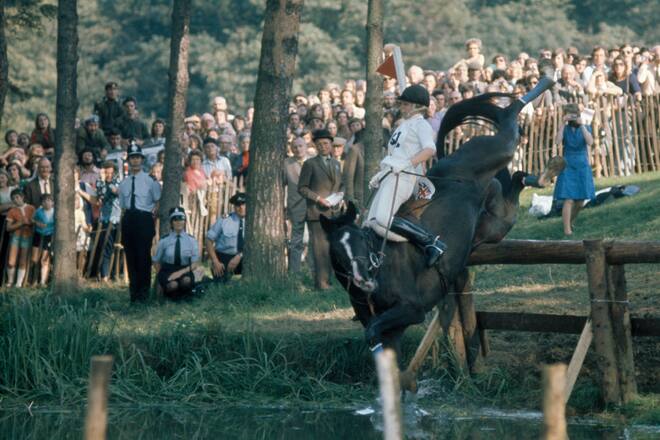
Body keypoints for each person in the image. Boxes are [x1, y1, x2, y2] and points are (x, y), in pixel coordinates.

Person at [365, 84, 446, 267]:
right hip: (391, 174)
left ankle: (431, 242)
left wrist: (407, 164)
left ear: (418, 106)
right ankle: (417, 245)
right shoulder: (404, 125)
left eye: (406, 104)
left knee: (383, 219)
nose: (402, 107)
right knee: (372, 223)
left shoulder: (422, 124)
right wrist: (381, 174)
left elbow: (429, 149)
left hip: (403, 176)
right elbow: (397, 154)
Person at [298, 129, 344, 290]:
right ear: (315, 147)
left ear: (331, 145)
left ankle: (332, 281)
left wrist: (340, 196)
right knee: (320, 249)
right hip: (317, 213)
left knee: (333, 247)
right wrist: (318, 199)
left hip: (334, 213)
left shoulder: (337, 164)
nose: (323, 147)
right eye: (319, 144)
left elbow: (340, 185)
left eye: (326, 143)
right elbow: (302, 188)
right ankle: (322, 284)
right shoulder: (310, 164)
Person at [119, 143, 161, 302]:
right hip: (129, 219)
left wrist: (151, 217)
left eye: (137, 157)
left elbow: (157, 201)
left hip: (144, 219)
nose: (135, 161)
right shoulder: (124, 183)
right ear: (128, 161)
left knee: (143, 257)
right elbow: (123, 206)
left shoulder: (150, 181)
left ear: (142, 160)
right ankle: (134, 295)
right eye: (132, 158)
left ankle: (144, 294)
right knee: (131, 257)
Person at [553, 104, 595, 236]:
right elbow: (557, 141)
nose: (572, 117)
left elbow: (590, 142)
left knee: (580, 200)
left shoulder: (586, 127)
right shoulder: (564, 129)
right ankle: (567, 230)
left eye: (574, 114)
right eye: (569, 115)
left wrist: (581, 125)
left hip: (582, 165)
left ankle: (569, 221)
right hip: (568, 164)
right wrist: (562, 123)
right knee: (569, 199)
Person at [153, 207, 200, 300]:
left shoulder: (191, 240)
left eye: (181, 218)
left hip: (185, 269)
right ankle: (172, 297)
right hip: (168, 270)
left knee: (186, 281)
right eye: (175, 219)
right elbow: (156, 261)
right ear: (171, 222)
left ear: (184, 221)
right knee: (173, 285)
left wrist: (179, 273)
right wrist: (160, 277)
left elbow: (195, 263)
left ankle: (183, 297)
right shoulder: (164, 240)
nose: (178, 222)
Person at [206, 192, 246, 283]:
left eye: (244, 204)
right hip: (223, 257)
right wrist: (215, 261)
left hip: (244, 256)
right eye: (238, 205)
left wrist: (239, 256)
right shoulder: (224, 220)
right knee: (220, 284)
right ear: (234, 207)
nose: (241, 207)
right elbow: (209, 240)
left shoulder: (254, 221)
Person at [283, 138, 308, 273]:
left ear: (306, 146)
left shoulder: (314, 161)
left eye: (300, 146)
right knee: (296, 240)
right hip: (296, 207)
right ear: (291, 149)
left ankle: (315, 272)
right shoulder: (287, 164)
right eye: (295, 147)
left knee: (316, 240)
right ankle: (294, 272)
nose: (298, 149)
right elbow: (280, 185)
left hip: (314, 207)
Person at [5, 188, 35, 287]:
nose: (15, 200)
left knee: (23, 260)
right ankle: (10, 281)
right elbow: (8, 228)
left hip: (27, 236)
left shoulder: (31, 208)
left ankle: (18, 283)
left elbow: (34, 222)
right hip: (16, 237)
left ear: (22, 197)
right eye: (13, 198)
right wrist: (20, 223)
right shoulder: (12, 211)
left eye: (17, 197)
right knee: (11, 261)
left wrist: (29, 222)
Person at [31, 193, 54, 286]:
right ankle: (34, 280)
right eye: (44, 201)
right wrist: (37, 223)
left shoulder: (55, 212)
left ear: (52, 202)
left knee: (45, 260)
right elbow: (32, 219)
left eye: (49, 200)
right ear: (41, 203)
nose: (46, 203)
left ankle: (43, 281)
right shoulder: (39, 211)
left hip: (49, 236)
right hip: (38, 234)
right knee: (34, 259)